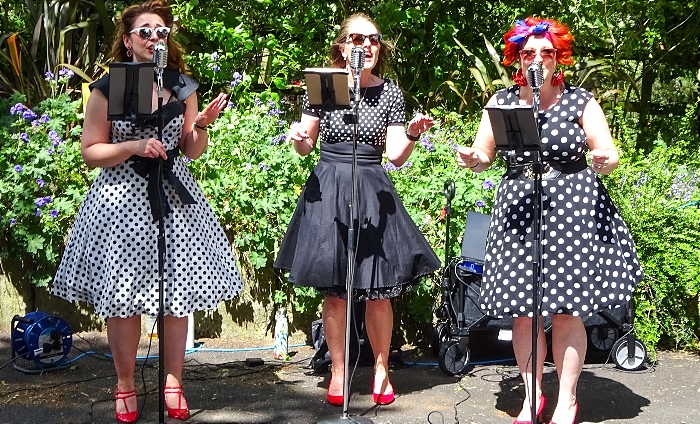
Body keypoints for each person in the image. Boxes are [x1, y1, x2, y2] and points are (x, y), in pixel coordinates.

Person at [50, 1, 243, 422]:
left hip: (174, 199)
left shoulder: (184, 86)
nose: (155, 37)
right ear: (127, 40)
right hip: (121, 201)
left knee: (176, 296)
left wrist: (203, 125)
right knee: (122, 297)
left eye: (161, 31)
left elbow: (190, 150)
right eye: (145, 31)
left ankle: (173, 380)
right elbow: (91, 151)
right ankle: (123, 384)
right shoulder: (107, 88)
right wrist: (134, 147)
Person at [456, 17, 643, 424]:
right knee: (523, 311)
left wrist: (604, 160)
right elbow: (484, 155)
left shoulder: (580, 101)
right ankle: (530, 396)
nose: (537, 59)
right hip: (520, 210)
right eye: (528, 53)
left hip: (571, 208)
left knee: (565, 310)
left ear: (559, 58)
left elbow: (608, 153)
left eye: (546, 52)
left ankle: (566, 401)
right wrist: (474, 159)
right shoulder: (502, 103)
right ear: (516, 59)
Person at [274, 13, 441, 406]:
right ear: (342, 46)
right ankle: (337, 370)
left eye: (372, 39)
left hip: (370, 187)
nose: (364, 45)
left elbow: (396, 156)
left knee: (378, 292)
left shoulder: (390, 94)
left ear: (378, 48)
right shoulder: (326, 84)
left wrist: (414, 134)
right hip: (329, 188)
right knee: (336, 293)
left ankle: (381, 369)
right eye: (356, 38)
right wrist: (298, 137)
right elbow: (306, 143)